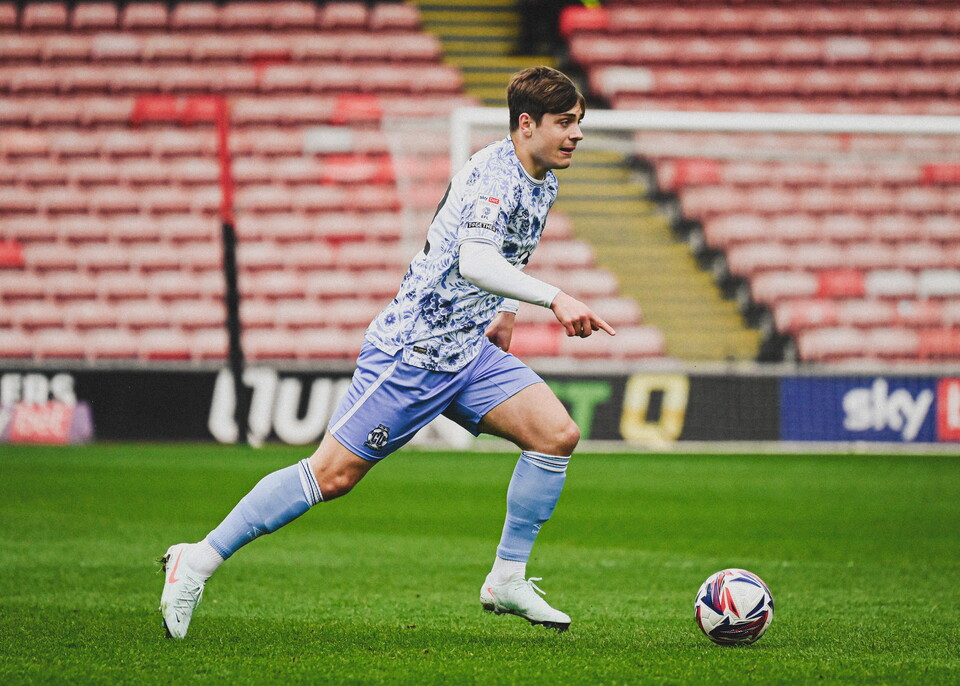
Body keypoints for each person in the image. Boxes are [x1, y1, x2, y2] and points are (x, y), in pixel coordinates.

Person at [159, 66, 615, 639]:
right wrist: (554, 298)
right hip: (411, 355)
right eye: (565, 123)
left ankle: (507, 577)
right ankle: (195, 561)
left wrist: (506, 312)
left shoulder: (543, 177)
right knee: (330, 476)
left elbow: (506, 253)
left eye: (579, 124)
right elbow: (476, 260)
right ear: (527, 125)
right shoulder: (494, 177)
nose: (576, 135)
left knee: (556, 436)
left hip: (468, 352)